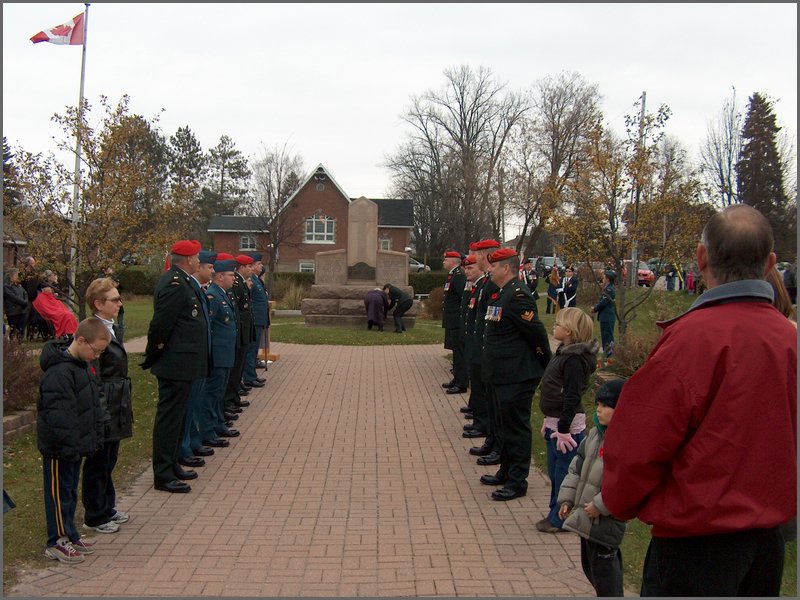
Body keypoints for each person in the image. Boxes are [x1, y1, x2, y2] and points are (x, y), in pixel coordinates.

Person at [602, 204, 797, 597]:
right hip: (767, 544)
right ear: (769, 263)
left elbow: (639, 441)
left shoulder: (691, 340)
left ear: (701, 257)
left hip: (696, 548)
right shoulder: (789, 339)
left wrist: (618, 500)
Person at [479, 248, 552, 501]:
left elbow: (536, 334)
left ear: (506, 268)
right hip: (501, 373)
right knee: (503, 425)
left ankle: (517, 480)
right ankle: (506, 471)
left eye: (494, 266)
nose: (490, 270)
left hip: (517, 375)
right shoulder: (502, 294)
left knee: (516, 429)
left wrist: (546, 364)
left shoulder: (518, 296)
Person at [38, 317, 110, 564]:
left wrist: (93, 437)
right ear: (81, 340)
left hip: (76, 445)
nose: (97, 356)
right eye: (96, 350)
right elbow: (59, 415)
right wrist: (68, 445)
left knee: (70, 491)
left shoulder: (83, 366)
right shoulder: (59, 372)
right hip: (60, 448)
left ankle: (71, 533)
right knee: (59, 494)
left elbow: (89, 406)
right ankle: (56, 540)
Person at [141, 240, 209, 494]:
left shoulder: (184, 281)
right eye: (196, 257)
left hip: (184, 364)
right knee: (169, 420)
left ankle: (173, 464)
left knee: (178, 418)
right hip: (174, 363)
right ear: (188, 259)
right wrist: (154, 353)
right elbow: (161, 324)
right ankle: (163, 473)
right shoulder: (173, 283)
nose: (199, 261)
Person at [558, 379, 627, 597]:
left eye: (606, 406)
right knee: (591, 570)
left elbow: (626, 481)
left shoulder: (625, 440)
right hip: (586, 517)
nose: (599, 409)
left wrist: (601, 504)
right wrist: (567, 498)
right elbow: (577, 466)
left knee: (606, 577)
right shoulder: (595, 434)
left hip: (605, 520)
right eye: (598, 404)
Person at [537, 307, 600, 533]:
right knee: (554, 471)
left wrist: (564, 427)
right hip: (555, 422)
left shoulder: (574, 360)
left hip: (566, 427)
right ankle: (554, 510)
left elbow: (571, 396)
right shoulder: (564, 352)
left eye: (558, 324)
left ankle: (560, 517)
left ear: (570, 331)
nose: (554, 327)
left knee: (564, 473)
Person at [81, 278, 132, 534]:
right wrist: (101, 410)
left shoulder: (111, 327)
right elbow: (95, 375)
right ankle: (95, 514)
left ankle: (107, 506)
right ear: (98, 304)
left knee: (110, 457)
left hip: (117, 398)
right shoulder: (93, 331)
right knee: (98, 461)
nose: (119, 304)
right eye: (114, 300)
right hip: (105, 400)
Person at [177, 250, 219, 473]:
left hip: (200, 356)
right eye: (209, 267)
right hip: (189, 357)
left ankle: (192, 442)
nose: (212, 271)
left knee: (195, 402)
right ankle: (185, 448)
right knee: (189, 404)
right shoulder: (183, 286)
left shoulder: (197, 288)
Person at [199, 259, 240, 450]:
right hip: (218, 355)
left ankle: (218, 425)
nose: (234, 278)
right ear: (220, 277)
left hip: (226, 354)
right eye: (231, 275)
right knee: (212, 393)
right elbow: (209, 328)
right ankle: (208, 431)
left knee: (219, 393)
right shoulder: (213, 296)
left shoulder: (224, 294)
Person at [442, 251, 468, 394]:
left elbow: (463, 298)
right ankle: (456, 378)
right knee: (456, 352)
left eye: (446, 260)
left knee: (460, 353)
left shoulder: (458, 276)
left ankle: (462, 382)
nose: (443, 262)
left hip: (457, 320)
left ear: (453, 261)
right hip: (452, 320)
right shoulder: (453, 274)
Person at [243, 252, 269, 388]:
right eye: (259, 264)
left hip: (260, 319)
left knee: (254, 350)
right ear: (251, 266)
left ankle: (252, 375)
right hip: (255, 319)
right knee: (251, 349)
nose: (261, 266)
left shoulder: (257, 279)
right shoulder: (251, 280)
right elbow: (249, 300)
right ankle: (248, 377)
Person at [591, 270, 616, 359]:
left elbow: (603, 302)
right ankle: (607, 355)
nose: (603, 278)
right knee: (605, 337)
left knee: (607, 337)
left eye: (604, 277)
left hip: (607, 317)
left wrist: (595, 308)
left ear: (608, 279)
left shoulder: (609, 289)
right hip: (605, 317)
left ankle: (609, 356)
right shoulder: (607, 287)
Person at [4, 267, 29, 342]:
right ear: (12, 276)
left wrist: (25, 301)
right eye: (17, 275)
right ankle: (12, 344)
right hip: (13, 310)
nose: (18, 277)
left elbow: (25, 293)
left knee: (21, 327)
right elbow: (12, 297)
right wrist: (23, 302)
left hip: (22, 309)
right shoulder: (6, 286)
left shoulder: (19, 285)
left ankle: (20, 341)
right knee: (13, 328)